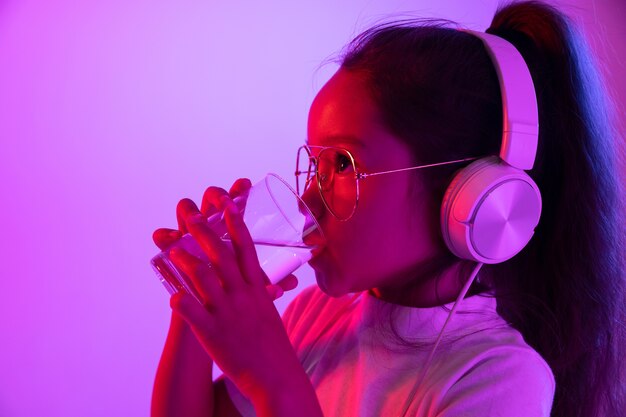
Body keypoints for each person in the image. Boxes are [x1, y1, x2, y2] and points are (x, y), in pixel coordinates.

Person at [150, 1, 625, 416]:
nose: (310, 200)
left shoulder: (501, 378)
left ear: (467, 193)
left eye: (343, 164)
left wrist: (273, 378)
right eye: (315, 165)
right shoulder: (316, 314)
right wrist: (198, 295)